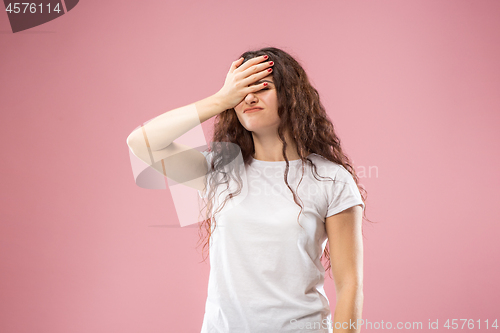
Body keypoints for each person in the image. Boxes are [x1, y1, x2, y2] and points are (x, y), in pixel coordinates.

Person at [126, 47, 368, 333]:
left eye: (262, 87)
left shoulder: (332, 179)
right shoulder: (219, 169)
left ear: (292, 97)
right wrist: (220, 98)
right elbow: (140, 142)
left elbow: (349, 283)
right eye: (242, 91)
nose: (249, 97)